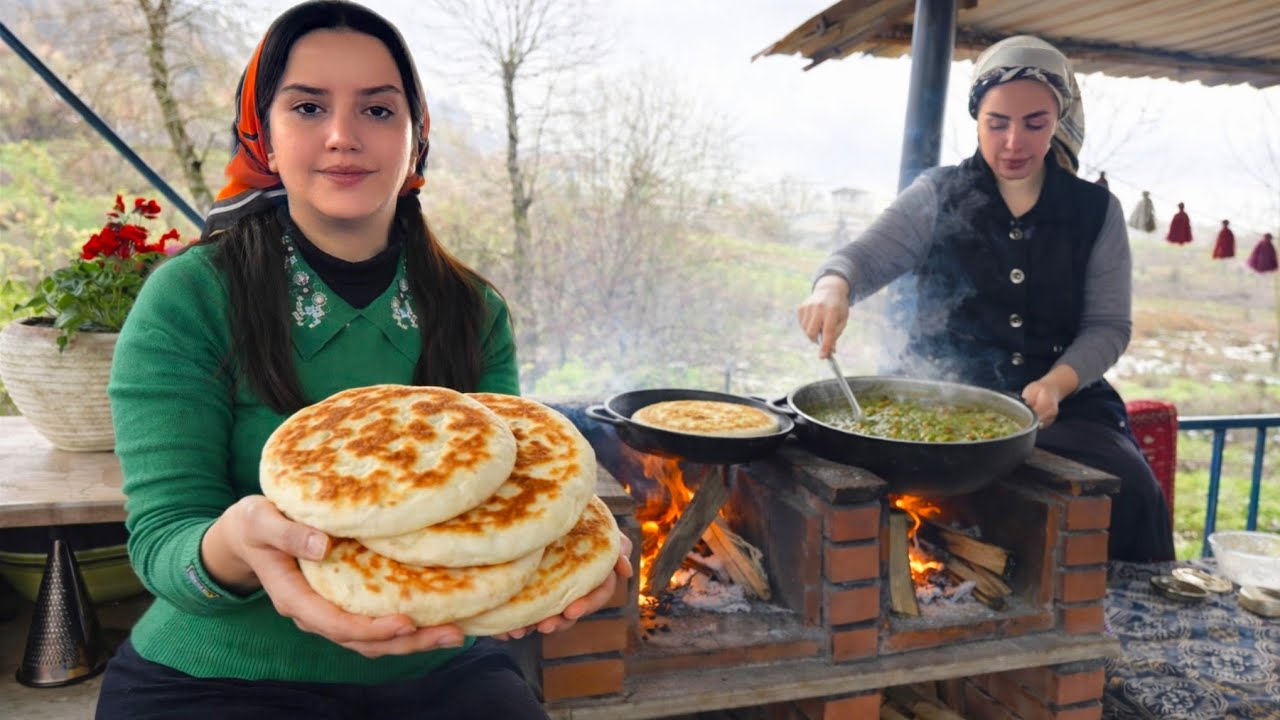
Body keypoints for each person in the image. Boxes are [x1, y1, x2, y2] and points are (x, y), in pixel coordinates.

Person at [97, 2, 631, 717]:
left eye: (378, 111)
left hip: (440, 667)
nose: (343, 136)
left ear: (417, 136)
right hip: (217, 675)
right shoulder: (191, 297)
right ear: (264, 133)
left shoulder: (473, 309)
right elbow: (163, 544)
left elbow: (518, 502)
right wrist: (238, 543)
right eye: (309, 107)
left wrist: (585, 552)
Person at [797, 35, 1174, 563]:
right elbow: (857, 260)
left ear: (1058, 119)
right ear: (976, 116)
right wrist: (831, 289)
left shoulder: (1095, 211)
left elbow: (1109, 326)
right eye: (998, 122)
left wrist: (1056, 383)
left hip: (1063, 408)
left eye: (1035, 123)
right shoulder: (938, 193)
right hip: (939, 397)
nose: (1014, 141)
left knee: (1131, 488)